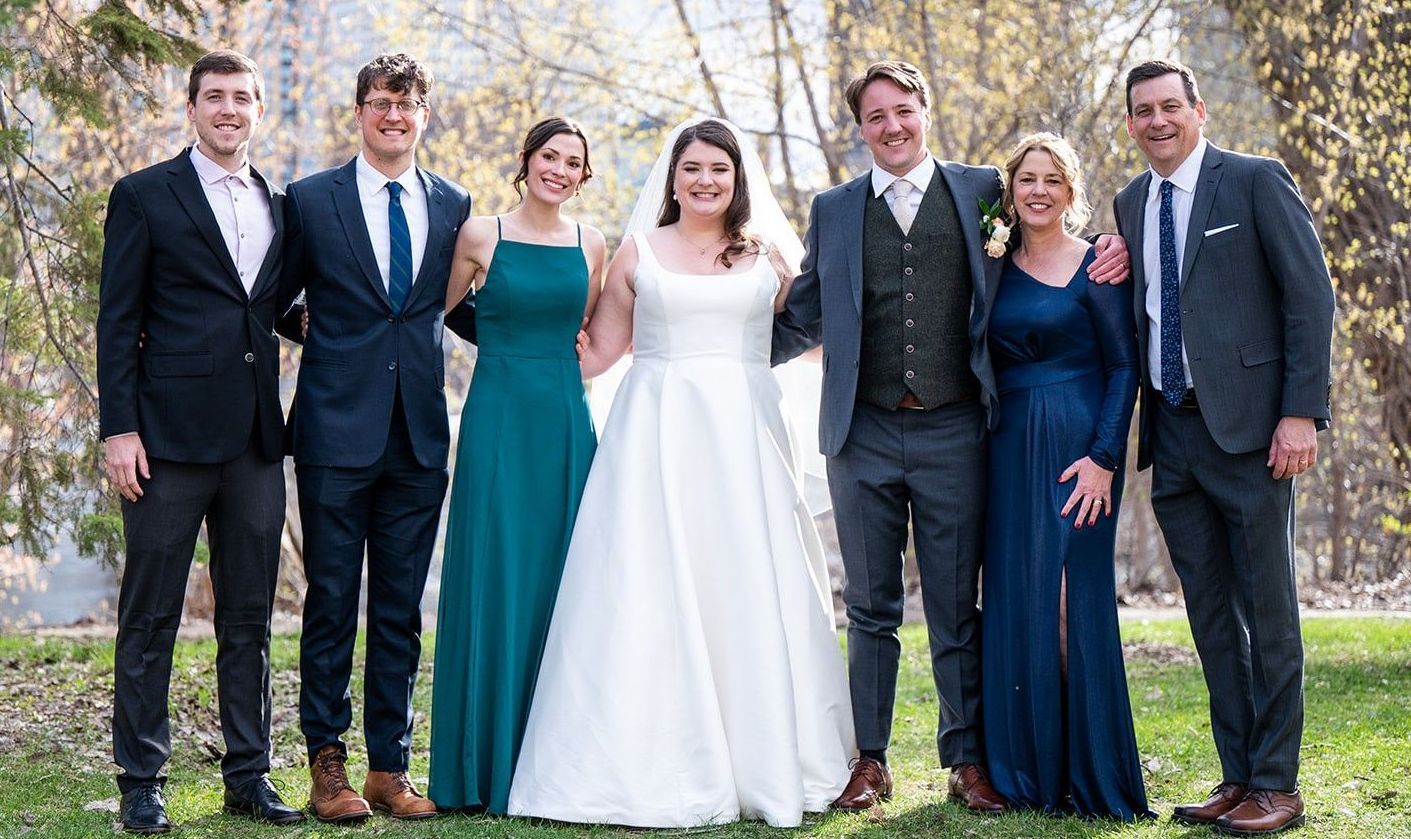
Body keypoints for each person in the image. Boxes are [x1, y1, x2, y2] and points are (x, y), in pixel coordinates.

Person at [772, 60, 1129, 813]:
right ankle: (868, 760)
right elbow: (800, 310)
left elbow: (1044, 234)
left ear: (923, 110)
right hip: (859, 431)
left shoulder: (979, 192)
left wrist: (1109, 247)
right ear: (860, 127)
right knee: (869, 606)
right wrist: (718, 337)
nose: (892, 126)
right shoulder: (833, 209)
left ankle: (965, 757)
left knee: (953, 604)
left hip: (958, 430)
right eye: (875, 116)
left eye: (903, 110)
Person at [506, 118, 855, 828]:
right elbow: (598, 350)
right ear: (671, 178)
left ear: (737, 180)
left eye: (717, 171)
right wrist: (513, 352)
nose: (704, 181)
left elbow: (822, 331)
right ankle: (632, 760)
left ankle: (764, 757)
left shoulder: (767, 258)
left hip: (744, 443)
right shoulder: (637, 250)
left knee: (746, 586)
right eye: (691, 169)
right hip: (654, 442)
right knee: (645, 586)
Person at [1113, 59, 1335, 836]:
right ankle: (1237, 773)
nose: (1156, 121)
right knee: (1210, 616)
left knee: (1267, 611)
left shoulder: (1253, 180)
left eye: (1169, 106)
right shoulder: (1130, 199)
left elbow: (1309, 295)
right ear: (1130, 122)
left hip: (1252, 433)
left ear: (1197, 110)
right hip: (1170, 437)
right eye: (1142, 110)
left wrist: (1300, 412)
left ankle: (1278, 782)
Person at [97, 49, 304, 832]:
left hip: (254, 438)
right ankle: (140, 781)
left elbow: (277, 308)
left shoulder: (277, 203)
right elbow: (118, 319)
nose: (228, 110)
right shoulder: (146, 194)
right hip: (165, 439)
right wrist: (119, 427)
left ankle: (248, 775)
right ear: (192, 108)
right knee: (149, 616)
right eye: (214, 97)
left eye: (242, 98)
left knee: (248, 616)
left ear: (258, 110)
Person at [276, 53, 472, 823]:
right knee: (330, 601)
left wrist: (542, 337)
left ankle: (390, 764)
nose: (395, 115)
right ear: (359, 112)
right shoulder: (310, 199)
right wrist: (316, 336)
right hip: (332, 429)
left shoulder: (454, 204)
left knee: (399, 608)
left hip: (420, 435)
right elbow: (271, 295)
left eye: (408, 104)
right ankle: (328, 765)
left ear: (426, 114)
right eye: (381, 102)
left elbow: (454, 308)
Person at [427, 116, 606, 814]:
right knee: (496, 576)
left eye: (573, 162)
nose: (559, 170)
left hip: (564, 421)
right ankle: (480, 766)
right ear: (525, 160)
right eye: (550, 156)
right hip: (497, 416)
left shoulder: (591, 243)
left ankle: (556, 758)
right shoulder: (481, 234)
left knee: (565, 579)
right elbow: (433, 314)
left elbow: (585, 330)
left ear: (582, 176)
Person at [980, 132, 1150, 821]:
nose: (1039, 190)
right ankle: (1028, 773)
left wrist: (1105, 457)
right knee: (1018, 596)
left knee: (1066, 597)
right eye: (1027, 179)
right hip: (1007, 446)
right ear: (1010, 191)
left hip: (1078, 448)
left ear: (1070, 191)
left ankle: (1087, 772)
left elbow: (1123, 367)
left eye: (1052, 179)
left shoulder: (1097, 266)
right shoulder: (992, 267)